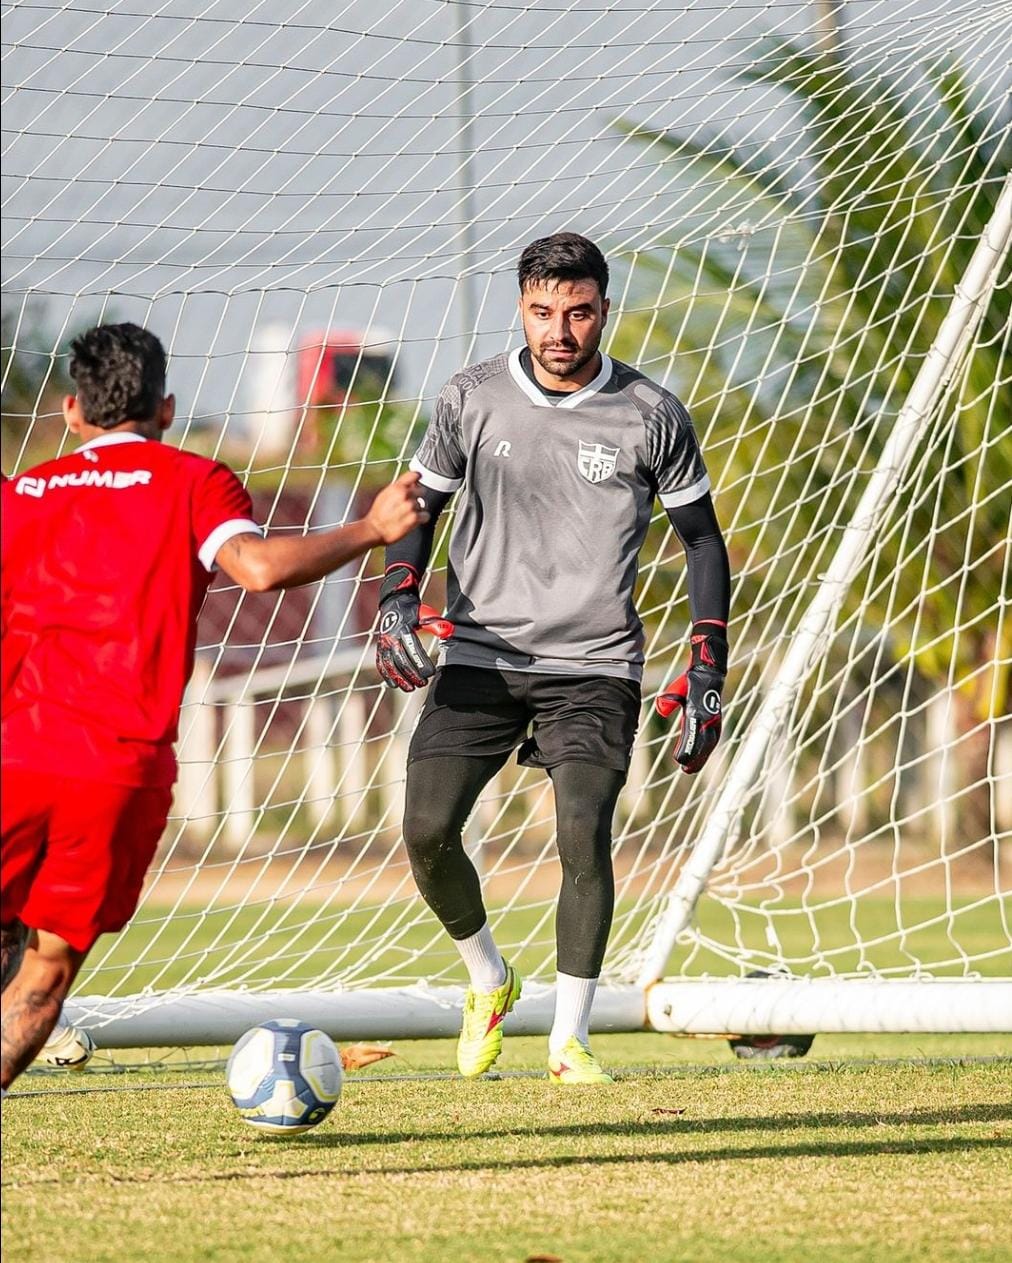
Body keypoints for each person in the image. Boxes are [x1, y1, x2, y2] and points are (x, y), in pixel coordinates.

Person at [0, 322, 427, 1091]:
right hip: (118, 771)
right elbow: (258, 569)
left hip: (14, 754)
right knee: (45, 972)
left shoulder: (22, 493)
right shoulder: (195, 478)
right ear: (165, 407)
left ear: (70, 412)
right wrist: (371, 527)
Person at [375, 233, 731, 1084]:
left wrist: (708, 663)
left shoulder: (652, 413)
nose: (559, 330)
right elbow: (419, 505)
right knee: (425, 830)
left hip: (596, 664)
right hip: (481, 653)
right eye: (542, 311)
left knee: (583, 831)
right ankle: (490, 978)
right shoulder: (472, 397)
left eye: (576, 311)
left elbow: (702, 541)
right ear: (521, 308)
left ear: (604, 309)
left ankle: (569, 1040)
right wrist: (397, 591)